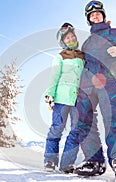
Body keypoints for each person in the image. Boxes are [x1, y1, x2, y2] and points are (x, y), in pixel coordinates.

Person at [74, 0, 116, 182]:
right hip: (87, 86)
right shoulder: (86, 44)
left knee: (113, 118)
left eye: (98, 13)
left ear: (103, 15)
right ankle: (94, 161)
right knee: (82, 120)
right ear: (88, 19)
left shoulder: (115, 33)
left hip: (109, 82)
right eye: (91, 14)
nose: (95, 15)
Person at [43, 23, 85, 173]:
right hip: (61, 98)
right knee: (56, 129)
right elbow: (54, 77)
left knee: (76, 131)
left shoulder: (82, 56)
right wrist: (50, 94)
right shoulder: (60, 57)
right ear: (63, 42)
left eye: (72, 36)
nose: (71, 39)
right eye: (67, 38)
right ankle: (50, 160)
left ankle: (67, 164)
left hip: (78, 100)